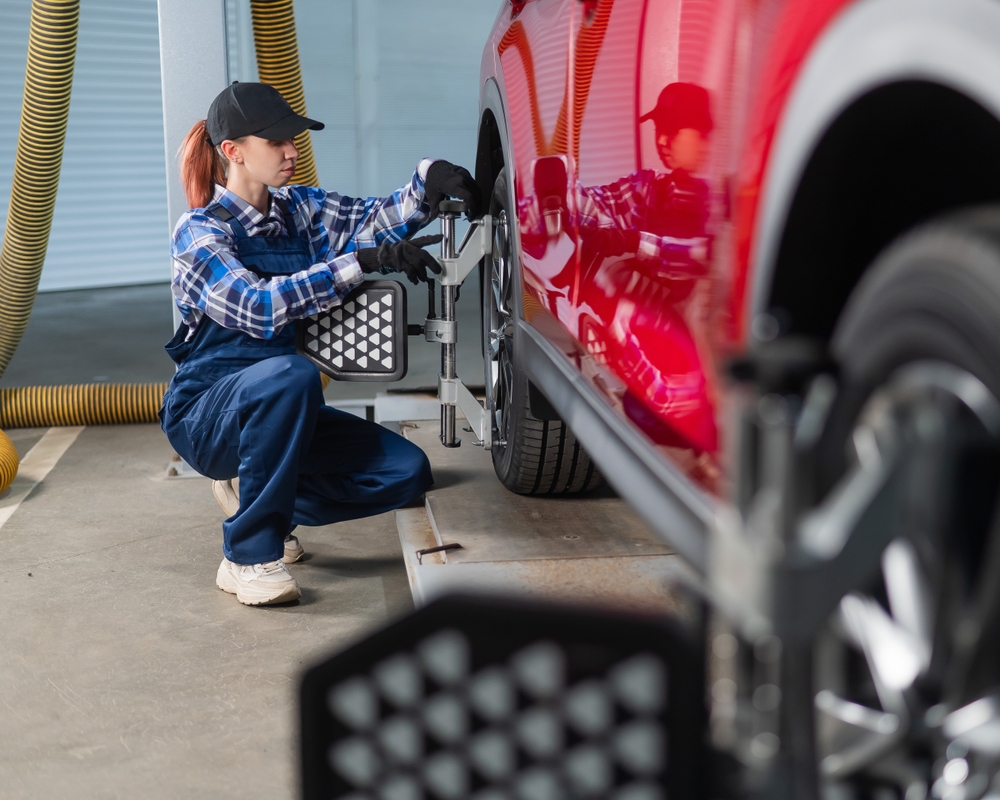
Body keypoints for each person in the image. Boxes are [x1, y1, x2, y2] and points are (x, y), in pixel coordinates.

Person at [159, 81, 481, 606]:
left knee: (405, 472)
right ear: (233, 152)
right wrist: (363, 262)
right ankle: (248, 555)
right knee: (292, 373)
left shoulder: (301, 210)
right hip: (208, 415)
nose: (291, 152)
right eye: (276, 142)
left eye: (293, 139)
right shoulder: (199, 232)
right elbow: (258, 308)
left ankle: (255, 494)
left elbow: (378, 218)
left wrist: (430, 176)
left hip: (283, 408)